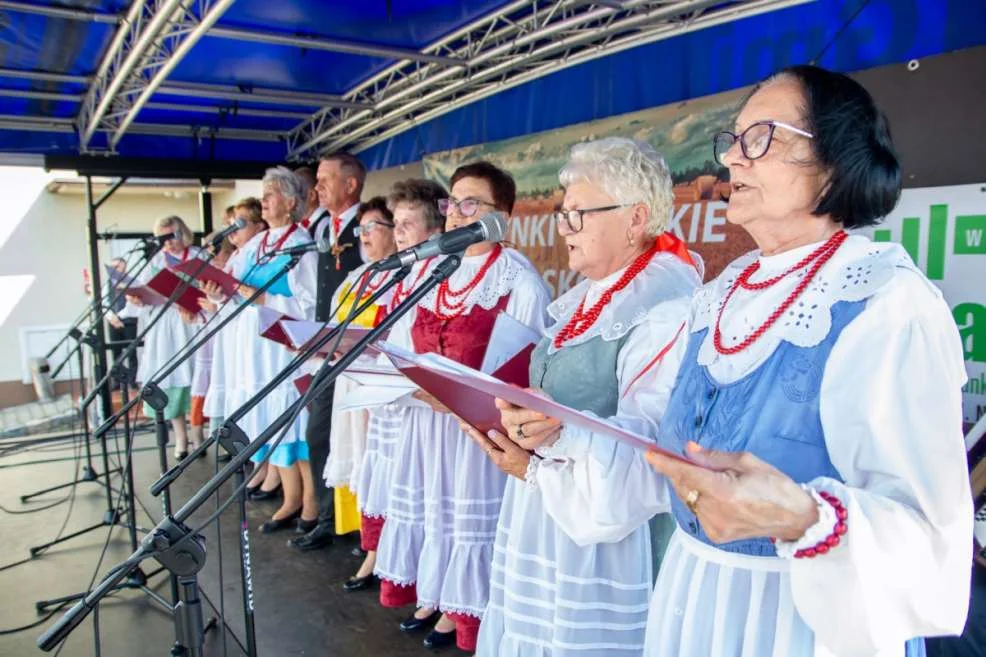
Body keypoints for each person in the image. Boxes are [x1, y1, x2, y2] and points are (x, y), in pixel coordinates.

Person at [484, 65, 973, 656]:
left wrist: (806, 518)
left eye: (761, 137)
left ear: (834, 161)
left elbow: (932, 544)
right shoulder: (720, 295)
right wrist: (562, 441)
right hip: (692, 598)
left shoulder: (887, 302)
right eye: (733, 142)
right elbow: (660, 450)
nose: (733, 161)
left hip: (799, 625)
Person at [462, 138, 702, 655]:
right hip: (550, 514)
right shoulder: (592, 296)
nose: (563, 227)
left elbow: (654, 449)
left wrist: (548, 443)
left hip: (607, 543)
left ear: (635, 218)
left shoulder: (666, 306)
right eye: (562, 213)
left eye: (578, 215)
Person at [375, 162, 551, 652]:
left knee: (472, 522)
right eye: (452, 203)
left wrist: (458, 399)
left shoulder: (520, 282)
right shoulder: (429, 271)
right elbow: (397, 345)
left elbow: (528, 376)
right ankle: (443, 601)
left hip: (478, 435)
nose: (456, 213)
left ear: (502, 216)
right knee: (437, 516)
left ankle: (470, 616)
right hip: (427, 424)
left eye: (471, 203)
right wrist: (416, 388)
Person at [204, 167, 319, 533]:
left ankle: (306, 503)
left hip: (281, 347)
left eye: (270, 194)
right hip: (252, 348)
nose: (264, 200)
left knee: (291, 424)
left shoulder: (302, 243)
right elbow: (234, 286)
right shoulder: (256, 244)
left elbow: (311, 304)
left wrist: (262, 296)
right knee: (270, 421)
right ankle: (288, 494)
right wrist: (218, 293)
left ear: (290, 201)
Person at [346, 178, 447, 593]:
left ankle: (433, 585)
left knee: (426, 497)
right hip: (391, 399)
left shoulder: (441, 272)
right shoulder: (403, 272)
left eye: (407, 223)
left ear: (434, 231)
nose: (398, 230)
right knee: (393, 487)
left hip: (421, 404)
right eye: (397, 222)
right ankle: (393, 563)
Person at [290, 152, 366, 552]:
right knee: (319, 434)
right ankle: (328, 517)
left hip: (353, 351)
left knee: (342, 437)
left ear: (350, 184)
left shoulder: (368, 224)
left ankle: (352, 524)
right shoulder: (322, 226)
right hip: (324, 345)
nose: (316, 187)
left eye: (324, 179)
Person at [321, 197, 397, 538]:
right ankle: (362, 538)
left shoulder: (403, 274)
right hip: (349, 381)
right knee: (350, 451)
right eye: (360, 228)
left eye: (372, 227)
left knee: (373, 459)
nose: (364, 236)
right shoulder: (357, 276)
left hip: (379, 387)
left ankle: (377, 547)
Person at [119, 215, 200, 459]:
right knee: (169, 377)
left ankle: (199, 437)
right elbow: (144, 291)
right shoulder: (156, 261)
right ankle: (181, 439)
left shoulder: (199, 256)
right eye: (163, 238)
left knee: (196, 377)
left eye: (172, 236)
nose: (169, 243)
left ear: (182, 233)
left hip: (191, 322)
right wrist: (136, 298)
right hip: (164, 325)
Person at [203, 199, 266, 466]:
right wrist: (217, 296)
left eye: (239, 224)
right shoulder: (241, 255)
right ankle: (251, 456)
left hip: (254, 330)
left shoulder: (254, 252)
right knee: (240, 389)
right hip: (236, 331)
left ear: (258, 226)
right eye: (230, 226)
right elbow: (234, 299)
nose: (232, 232)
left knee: (255, 392)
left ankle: (260, 460)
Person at [187, 226, 236, 456]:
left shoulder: (233, 271)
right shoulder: (210, 277)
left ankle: (236, 447)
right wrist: (202, 311)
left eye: (217, 254)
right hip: (215, 342)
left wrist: (215, 306)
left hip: (232, 343)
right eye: (210, 254)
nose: (213, 260)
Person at [105, 257, 139, 390]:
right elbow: (105, 302)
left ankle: (132, 380)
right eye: (113, 267)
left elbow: (134, 302)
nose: (115, 269)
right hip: (112, 321)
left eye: (118, 266)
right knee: (116, 352)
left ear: (124, 268)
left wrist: (119, 316)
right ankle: (118, 381)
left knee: (131, 352)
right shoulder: (107, 284)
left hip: (129, 321)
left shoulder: (132, 281)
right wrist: (112, 317)